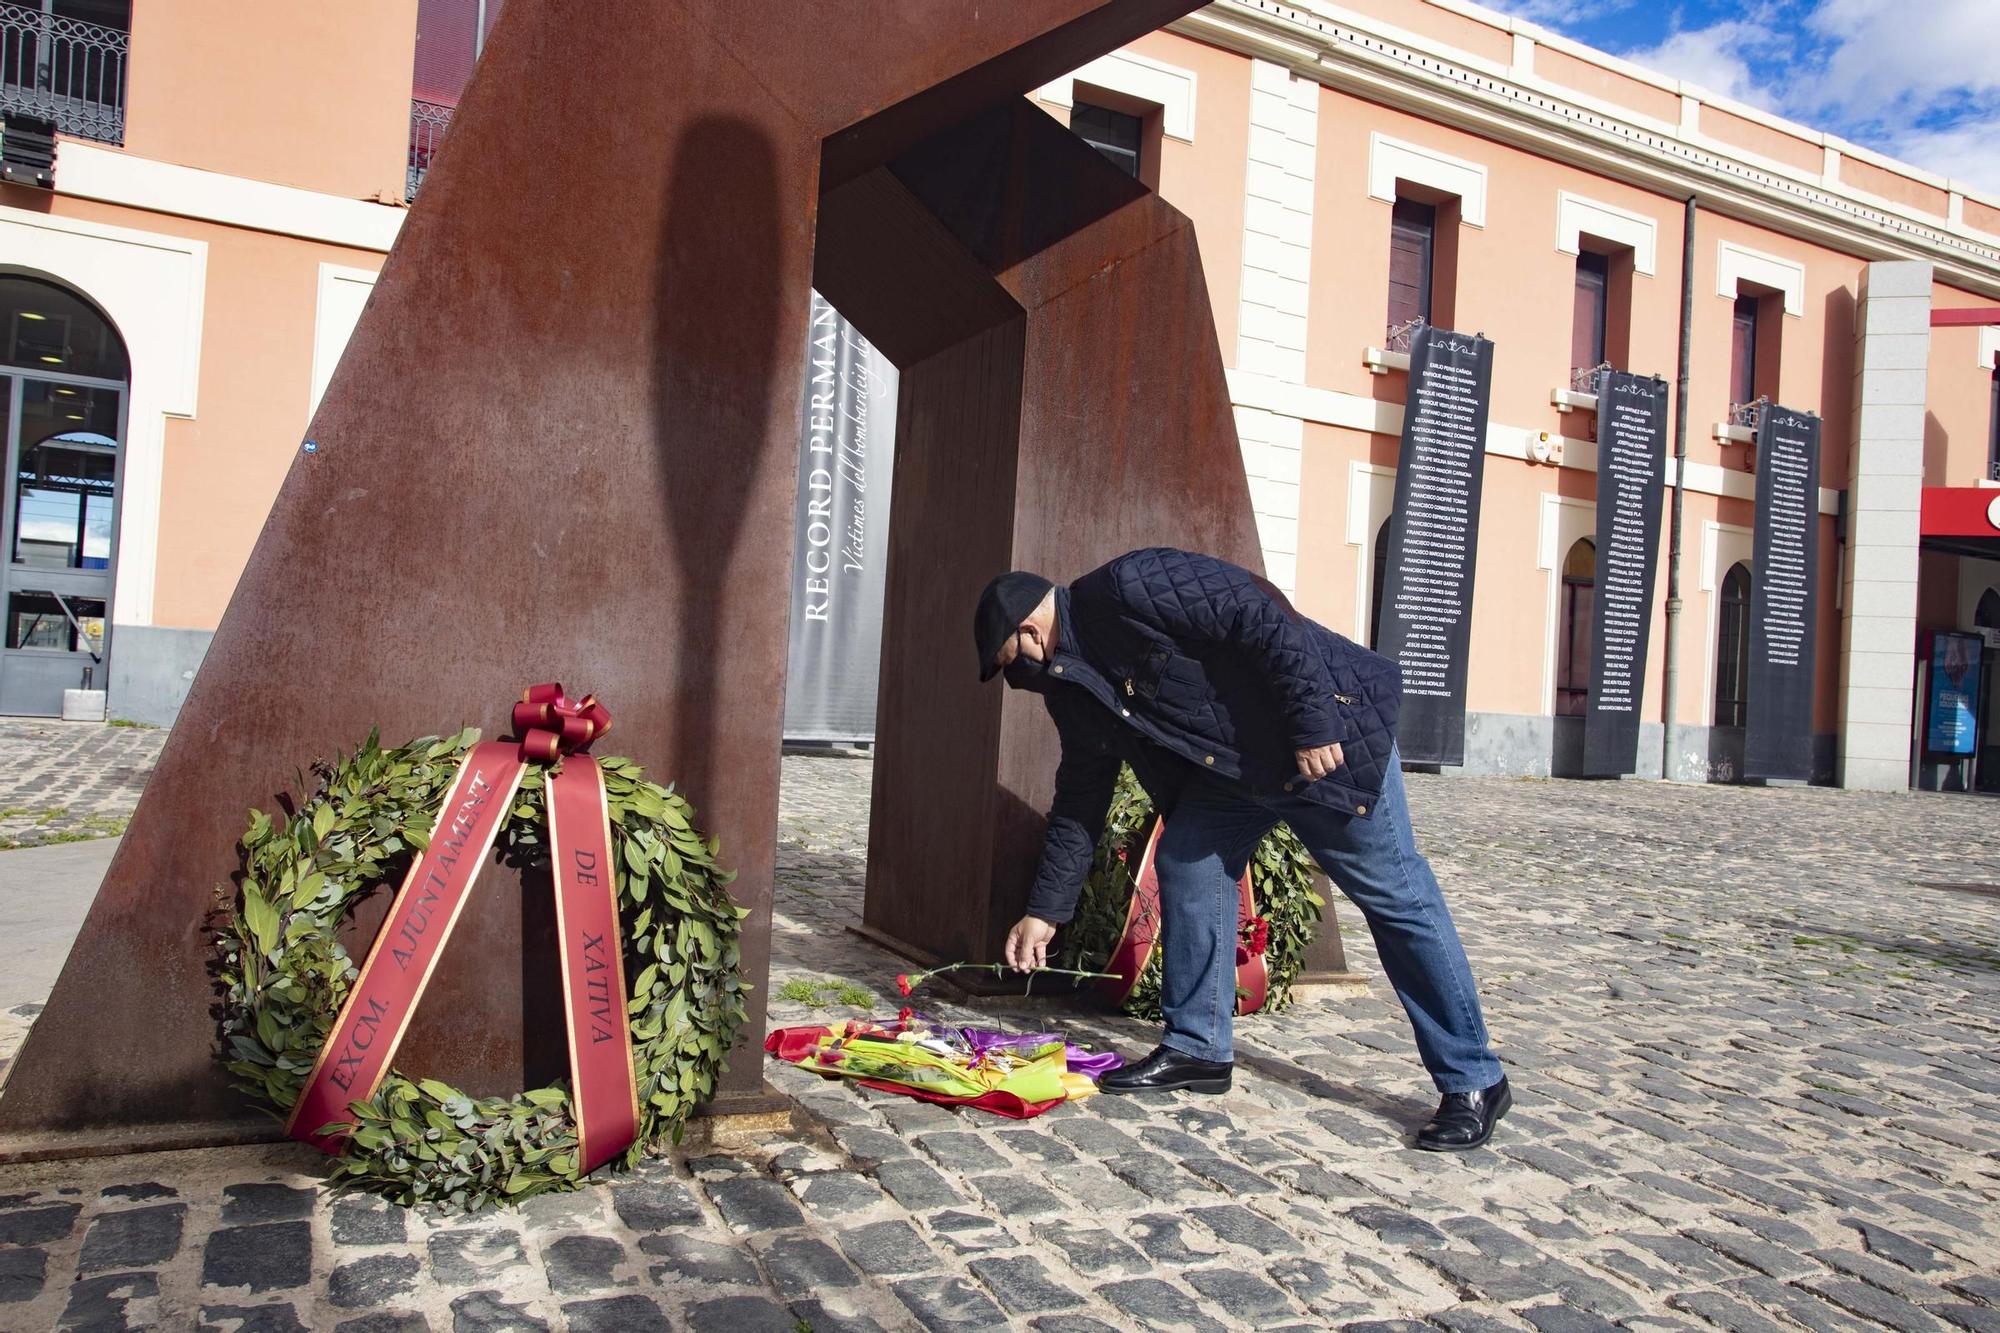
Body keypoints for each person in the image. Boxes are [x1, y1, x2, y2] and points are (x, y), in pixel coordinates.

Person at [973, 547, 1509, 1150]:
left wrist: (1313, 723)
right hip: (1236, 774)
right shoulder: (1074, 688)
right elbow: (1080, 796)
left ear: (1029, 630)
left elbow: (1261, 612)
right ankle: (1198, 1047)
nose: (1021, 682)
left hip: (1320, 747)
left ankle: (1474, 1079)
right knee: (1189, 858)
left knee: (1397, 898)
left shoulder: (1130, 583)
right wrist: (1047, 910)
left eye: (1013, 665)